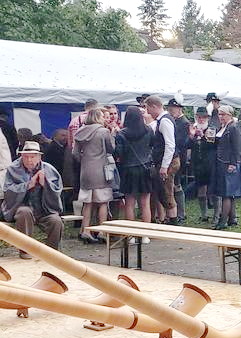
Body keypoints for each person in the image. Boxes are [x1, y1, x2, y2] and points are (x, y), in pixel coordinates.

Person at [2, 141, 63, 258]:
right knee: (24, 212)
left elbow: (57, 191)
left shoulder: (49, 169)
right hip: (22, 207)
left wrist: (45, 184)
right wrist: (28, 185)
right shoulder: (13, 169)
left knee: (56, 221)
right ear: (21, 156)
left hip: (44, 209)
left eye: (33, 157)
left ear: (39, 157)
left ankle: (52, 254)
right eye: (26, 157)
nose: (29, 160)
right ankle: (25, 250)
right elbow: (8, 191)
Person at [73, 108, 115, 244]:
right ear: (97, 117)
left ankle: (86, 231)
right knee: (103, 201)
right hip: (101, 170)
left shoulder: (80, 132)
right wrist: (113, 134)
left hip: (85, 171)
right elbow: (111, 149)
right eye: (102, 116)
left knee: (87, 203)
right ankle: (102, 231)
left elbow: (75, 153)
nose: (103, 118)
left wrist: (84, 160)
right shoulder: (103, 132)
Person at [114, 106, 154, 233]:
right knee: (145, 203)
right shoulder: (148, 130)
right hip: (145, 168)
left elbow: (119, 153)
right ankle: (145, 234)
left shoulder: (121, 134)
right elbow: (152, 146)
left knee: (129, 203)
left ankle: (131, 234)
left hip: (128, 170)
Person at [144, 95, 179, 225]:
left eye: (148, 108)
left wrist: (164, 166)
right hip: (165, 160)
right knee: (163, 191)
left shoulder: (164, 121)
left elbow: (170, 145)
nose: (148, 112)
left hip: (168, 161)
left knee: (167, 192)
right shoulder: (162, 120)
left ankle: (173, 222)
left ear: (154, 106)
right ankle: (170, 219)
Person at [211, 106, 241, 229]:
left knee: (227, 193)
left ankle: (223, 220)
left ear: (230, 115)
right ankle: (232, 218)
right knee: (229, 193)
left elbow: (237, 148)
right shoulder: (223, 127)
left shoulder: (233, 127)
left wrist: (233, 164)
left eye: (223, 114)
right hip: (222, 162)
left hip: (228, 163)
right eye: (219, 114)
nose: (221, 117)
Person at [167, 98, 191, 225]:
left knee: (177, 184)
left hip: (179, 156)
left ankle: (181, 213)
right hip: (174, 155)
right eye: (170, 109)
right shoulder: (176, 121)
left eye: (173, 109)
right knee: (174, 184)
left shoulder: (184, 123)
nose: (171, 111)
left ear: (179, 109)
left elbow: (181, 142)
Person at [190, 107, 215, 222]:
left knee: (213, 190)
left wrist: (203, 136)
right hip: (198, 164)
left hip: (210, 163)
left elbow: (212, 145)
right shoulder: (193, 128)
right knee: (201, 190)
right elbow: (187, 145)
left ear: (207, 118)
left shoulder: (211, 128)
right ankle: (204, 214)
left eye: (203, 117)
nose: (201, 119)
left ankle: (216, 214)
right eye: (199, 117)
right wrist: (192, 136)